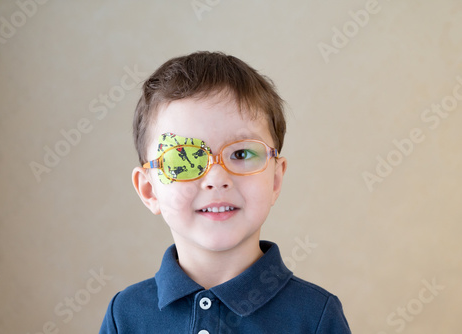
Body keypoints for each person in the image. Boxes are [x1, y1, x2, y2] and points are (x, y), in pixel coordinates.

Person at [99, 51, 351, 333]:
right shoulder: (125, 315)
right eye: (184, 158)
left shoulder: (314, 316)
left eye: (241, 153)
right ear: (149, 190)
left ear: (276, 180)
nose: (217, 179)